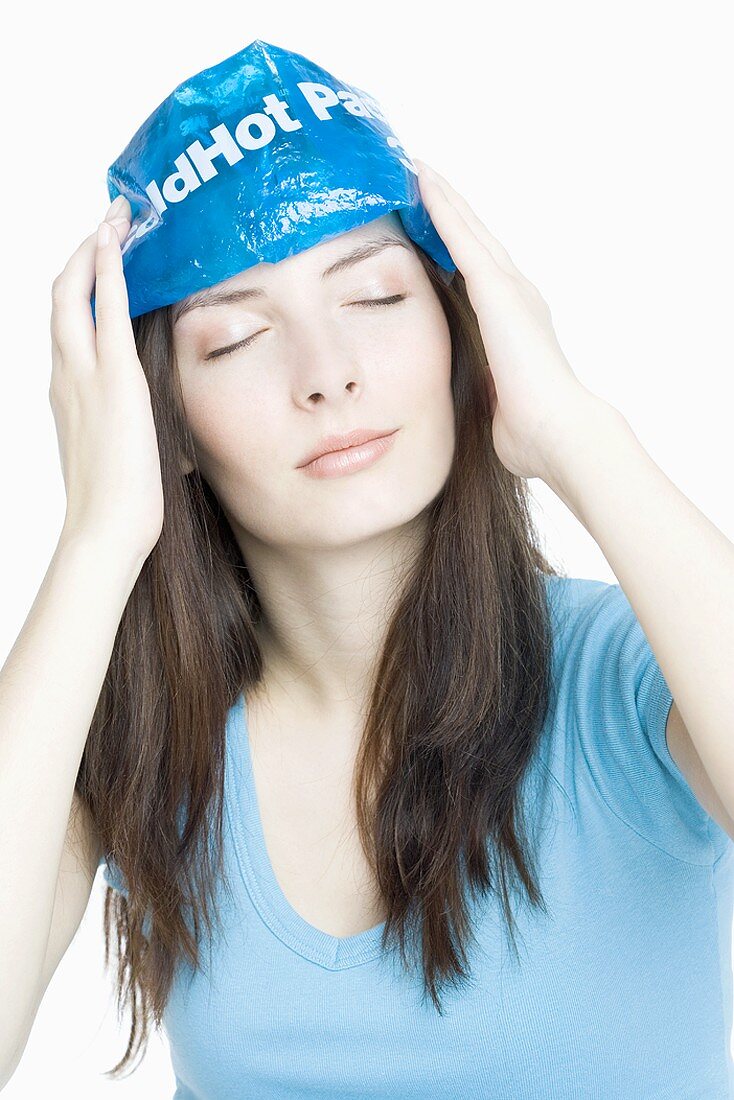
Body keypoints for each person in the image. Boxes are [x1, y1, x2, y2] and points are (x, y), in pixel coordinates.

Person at [2, 164, 733, 1099]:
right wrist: (97, 539)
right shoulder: (139, 738)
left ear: (462, 337)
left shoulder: (629, 672)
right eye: (237, 339)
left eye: (376, 295)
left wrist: (575, 430)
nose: (327, 373)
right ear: (162, 425)